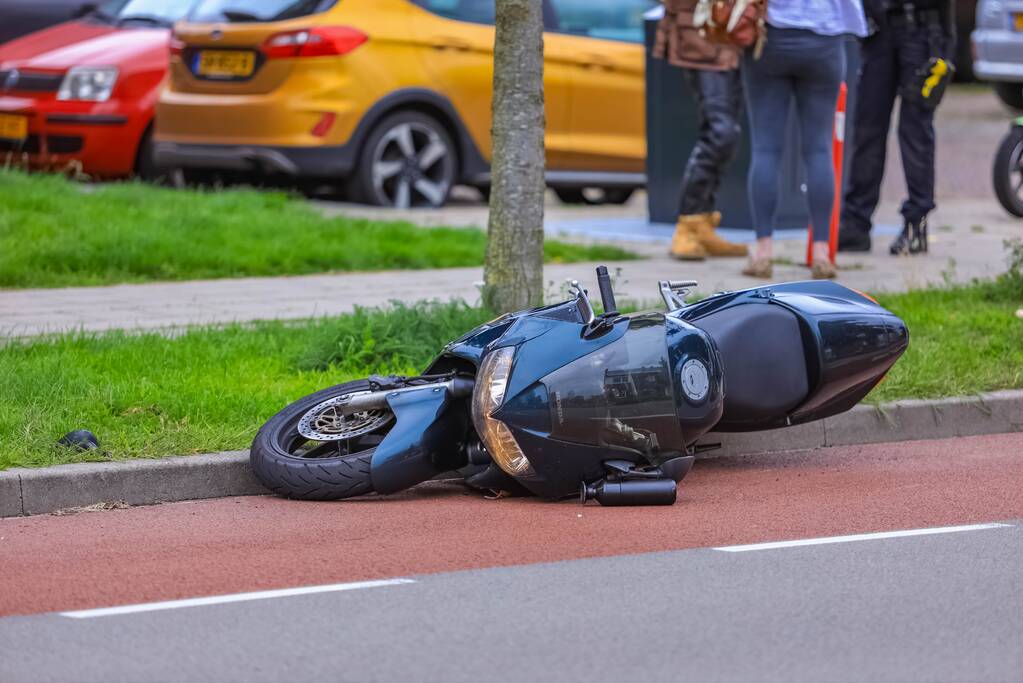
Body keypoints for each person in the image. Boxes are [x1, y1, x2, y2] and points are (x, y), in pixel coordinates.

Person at [740, 0, 867, 279]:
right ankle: (821, 253)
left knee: (765, 150)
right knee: (819, 150)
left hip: (770, 38)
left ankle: (763, 252)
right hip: (825, 41)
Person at [838, 0, 956, 255]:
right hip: (878, 30)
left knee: (915, 131)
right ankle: (855, 224)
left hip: (922, 28)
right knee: (867, 128)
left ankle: (916, 224)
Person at [653, 0, 749, 260]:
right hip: (702, 35)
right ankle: (688, 224)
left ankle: (703, 225)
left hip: (735, 37)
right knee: (721, 132)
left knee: (728, 134)